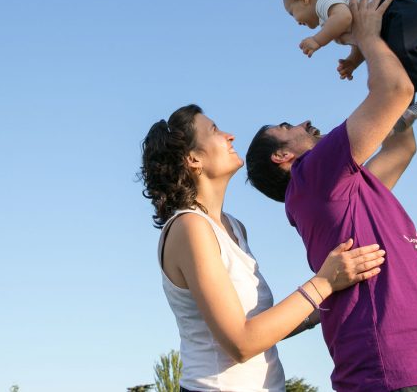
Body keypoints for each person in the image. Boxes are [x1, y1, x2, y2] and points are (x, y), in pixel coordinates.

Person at [247, 0, 417, 391]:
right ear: (281, 157)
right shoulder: (311, 175)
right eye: (287, 127)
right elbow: (396, 93)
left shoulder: (344, 190)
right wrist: (367, 35)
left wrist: (390, 52)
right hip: (391, 367)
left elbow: (402, 145)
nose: (304, 122)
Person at [140, 104, 392, 391]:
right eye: (214, 130)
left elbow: (261, 328)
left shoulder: (234, 227)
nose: (230, 136)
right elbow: (242, 343)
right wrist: (323, 282)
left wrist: (335, 294)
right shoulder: (190, 228)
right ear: (193, 159)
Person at [284, 0, 417, 132]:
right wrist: (353, 61)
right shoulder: (329, 19)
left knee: (401, 53)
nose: (296, 21)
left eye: (292, 13)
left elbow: (344, 18)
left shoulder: (324, 2)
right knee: (396, 67)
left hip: (399, 10)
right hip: (395, 21)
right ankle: (402, 110)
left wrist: (317, 40)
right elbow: (359, 38)